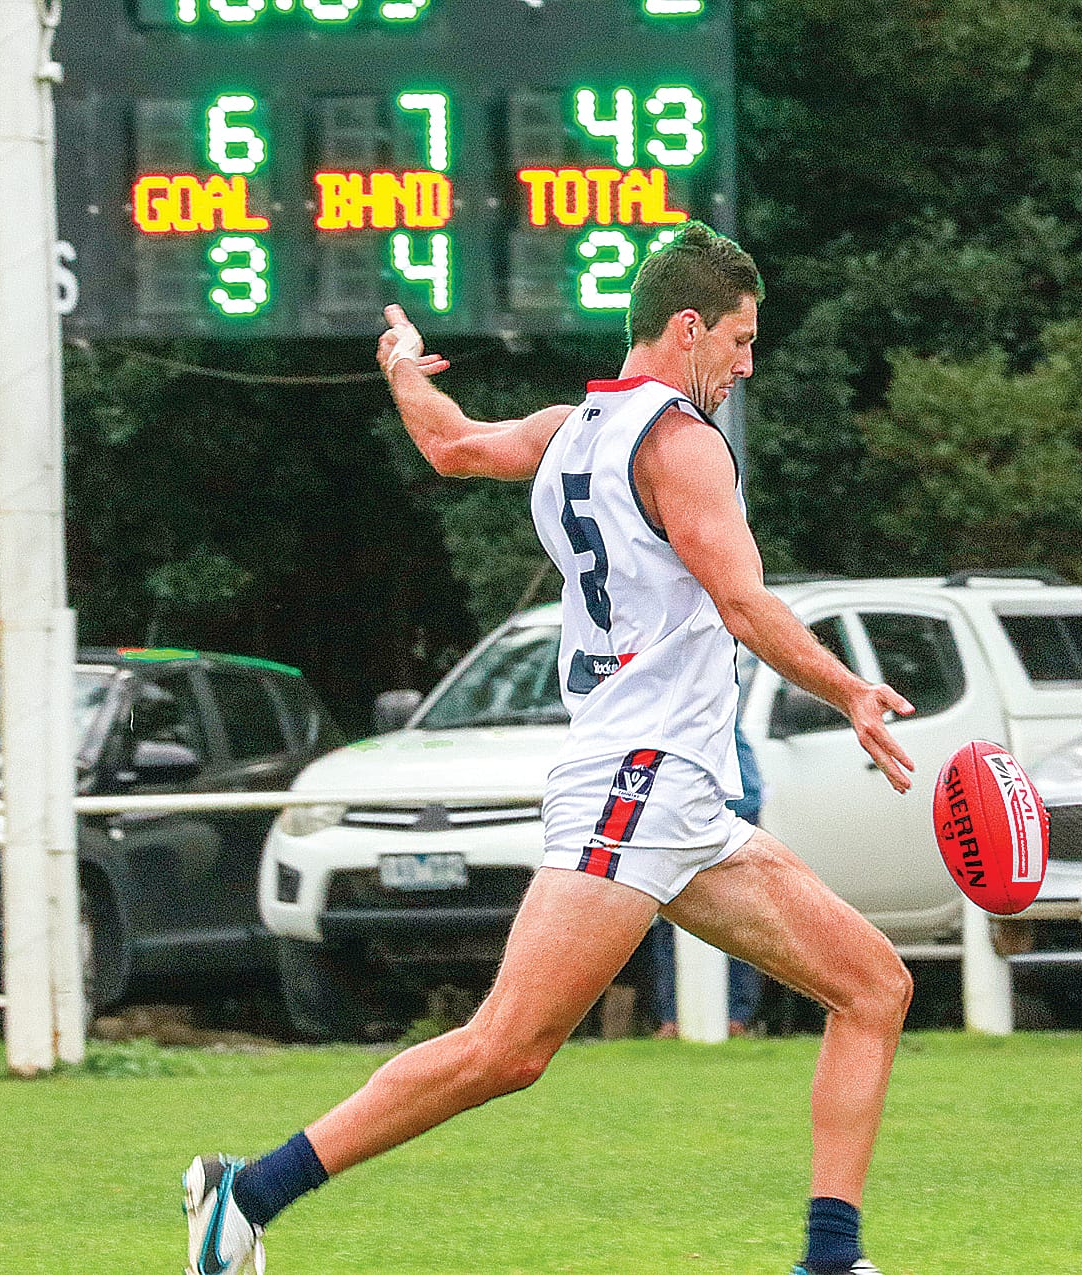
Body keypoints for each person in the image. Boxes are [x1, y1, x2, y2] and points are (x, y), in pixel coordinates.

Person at [181, 221, 915, 1275]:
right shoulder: (678, 441)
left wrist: (397, 365)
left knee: (873, 988)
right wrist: (847, 688)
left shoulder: (573, 428)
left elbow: (448, 443)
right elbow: (745, 604)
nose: (748, 365)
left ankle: (831, 1259)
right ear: (687, 327)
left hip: (679, 799)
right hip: (637, 782)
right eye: (742, 340)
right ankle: (245, 1195)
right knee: (506, 1050)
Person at [651, 718, 768, 1038]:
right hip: (674, 798)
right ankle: (672, 1016)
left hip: (733, 799)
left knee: (737, 911)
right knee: (670, 907)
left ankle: (737, 1015)